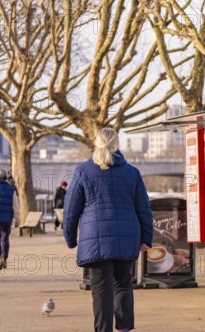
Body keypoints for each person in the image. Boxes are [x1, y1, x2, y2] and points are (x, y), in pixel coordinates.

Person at [64, 128, 153, 332]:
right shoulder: (132, 172)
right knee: (123, 285)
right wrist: (146, 237)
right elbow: (144, 208)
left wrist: (70, 238)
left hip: (95, 240)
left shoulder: (83, 171)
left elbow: (70, 210)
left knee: (101, 290)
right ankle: (124, 329)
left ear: (97, 143)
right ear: (117, 144)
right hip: (127, 238)